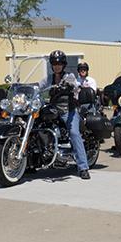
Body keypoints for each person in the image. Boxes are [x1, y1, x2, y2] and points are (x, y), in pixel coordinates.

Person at [40, 50, 90, 180]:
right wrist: (24, 87)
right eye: (55, 63)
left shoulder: (69, 76)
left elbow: (75, 85)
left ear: (63, 64)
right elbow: (38, 86)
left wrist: (69, 86)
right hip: (52, 109)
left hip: (68, 110)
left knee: (74, 133)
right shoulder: (49, 78)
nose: (57, 65)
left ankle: (83, 167)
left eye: (59, 63)